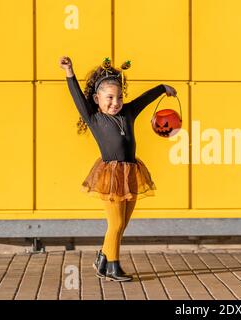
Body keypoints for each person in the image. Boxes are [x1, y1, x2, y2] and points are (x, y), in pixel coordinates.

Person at [59, 56, 177, 282]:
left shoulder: (128, 113)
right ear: (96, 98)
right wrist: (69, 71)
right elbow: (76, 97)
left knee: (122, 225)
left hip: (132, 172)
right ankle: (113, 267)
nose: (115, 102)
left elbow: (144, 99)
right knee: (116, 223)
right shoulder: (94, 117)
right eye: (109, 98)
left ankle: (102, 260)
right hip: (110, 176)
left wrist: (163, 88)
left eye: (119, 97)